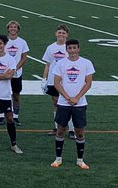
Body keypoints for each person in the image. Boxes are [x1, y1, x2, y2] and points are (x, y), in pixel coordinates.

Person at [51, 38, 95, 170]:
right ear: (66, 50)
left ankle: (80, 160)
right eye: (70, 48)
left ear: (79, 48)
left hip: (79, 103)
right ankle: (58, 159)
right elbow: (56, 83)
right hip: (64, 103)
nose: (72, 51)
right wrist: (67, 97)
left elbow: (88, 83)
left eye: (74, 48)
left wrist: (77, 97)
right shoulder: (61, 63)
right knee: (60, 130)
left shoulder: (86, 63)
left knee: (79, 131)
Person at [40, 24, 71, 136]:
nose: (61, 35)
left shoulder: (69, 47)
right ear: (56, 34)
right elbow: (48, 65)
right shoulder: (51, 47)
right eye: (59, 32)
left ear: (67, 34)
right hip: (53, 79)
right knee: (55, 103)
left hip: (67, 80)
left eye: (63, 33)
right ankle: (57, 127)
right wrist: (44, 79)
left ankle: (71, 129)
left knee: (68, 103)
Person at [2, 20, 30, 126]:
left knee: (16, 95)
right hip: (5, 71)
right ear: (8, 28)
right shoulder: (4, 41)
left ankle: (16, 116)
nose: (13, 29)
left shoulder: (22, 42)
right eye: (11, 27)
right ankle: (3, 115)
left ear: (18, 29)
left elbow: (24, 57)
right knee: (4, 94)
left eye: (15, 27)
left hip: (17, 72)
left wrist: (15, 68)